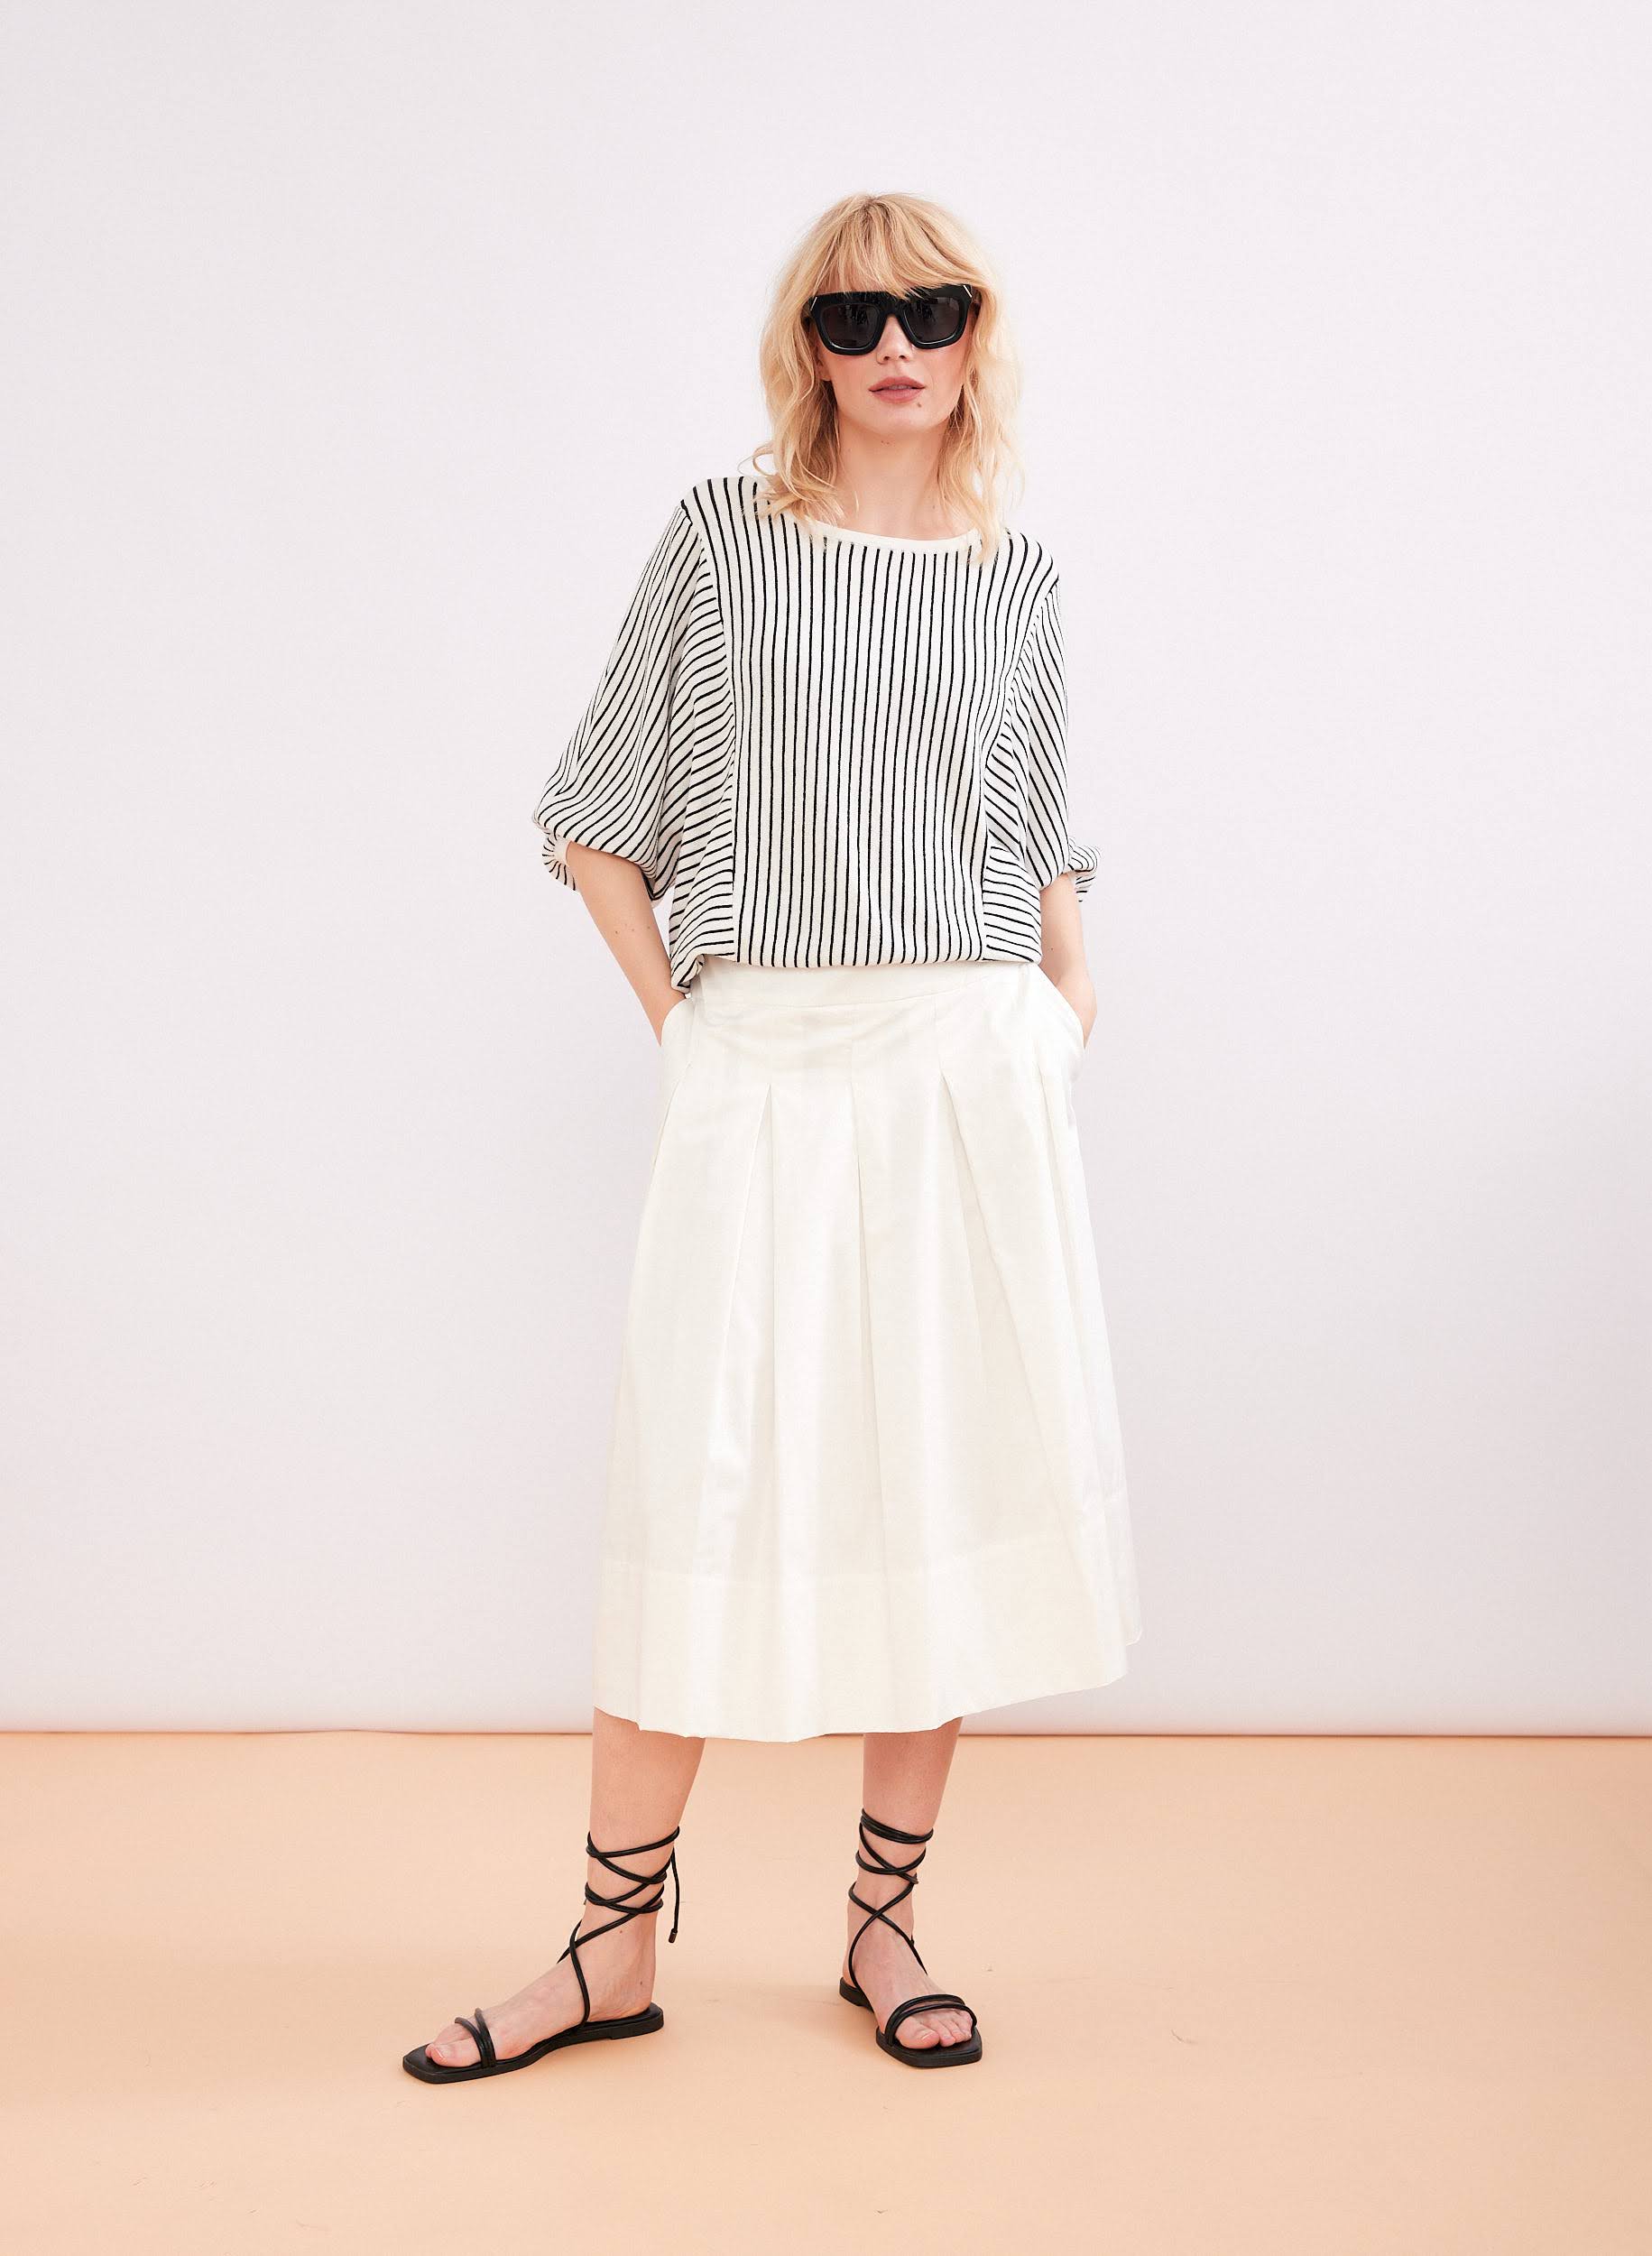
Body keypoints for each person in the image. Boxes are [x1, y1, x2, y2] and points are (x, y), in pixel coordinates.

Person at [401, 190, 1141, 2084]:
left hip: (967, 1064)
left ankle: (884, 1919)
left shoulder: (1019, 577)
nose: (895, 346)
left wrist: (1062, 1004)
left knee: (940, 1480)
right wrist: (690, 1030)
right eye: (854, 314)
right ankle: (607, 1946)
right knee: (699, 1477)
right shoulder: (722, 542)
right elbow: (595, 813)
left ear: (976, 336)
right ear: (803, 343)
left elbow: (1042, 825)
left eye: (933, 310)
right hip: (769, 1055)